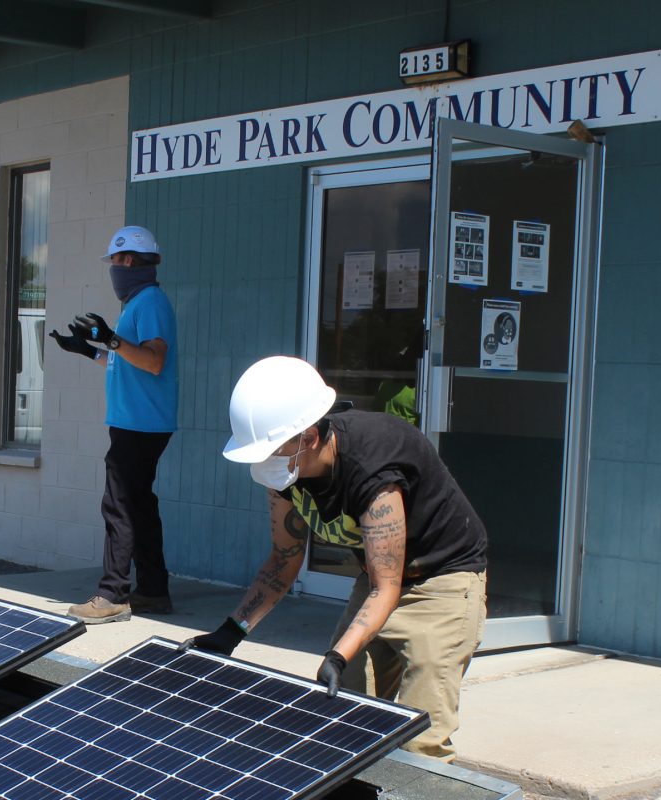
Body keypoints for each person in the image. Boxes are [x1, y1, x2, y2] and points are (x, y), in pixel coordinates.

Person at [182, 356, 489, 761]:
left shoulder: (372, 465)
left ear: (307, 437)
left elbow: (387, 587)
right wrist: (231, 631)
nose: (263, 462)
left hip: (442, 582)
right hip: (378, 577)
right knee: (345, 722)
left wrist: (336, 656)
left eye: (270, 450)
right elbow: (284, 558)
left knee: (419, 740)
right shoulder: (285, 471)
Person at [47, 225, 179, 624]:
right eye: (115, 261)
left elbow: (154, 360)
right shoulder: (138, 303)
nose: (118, 267)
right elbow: (128, 365)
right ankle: (154, 589)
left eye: (125, 260)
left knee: (118, 504)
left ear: (143, 263)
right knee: (138, 504)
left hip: (140, 424)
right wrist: (89, 350)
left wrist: (111, 339)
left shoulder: (150, 302)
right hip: (138, 422)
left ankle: (113, 594)